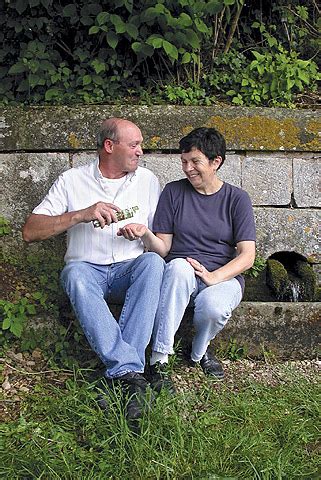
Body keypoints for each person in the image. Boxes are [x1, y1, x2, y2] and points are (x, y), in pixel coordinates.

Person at [22, 117, 165, 425]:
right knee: (73, 273)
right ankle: (132, 374)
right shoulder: (72, 180)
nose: (141, 151)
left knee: (153, 263)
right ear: (109, 146)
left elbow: (160, 242)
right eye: (135, 144)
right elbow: (30, 231)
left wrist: (141, 233)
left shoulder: (148, 181)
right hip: (89, 271)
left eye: (141, 144)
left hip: (130, 268)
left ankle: (122, 371)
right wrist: (81, 215)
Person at [117, 127, 256, 386]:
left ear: (216, 162)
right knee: (179, 267)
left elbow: (247, 256)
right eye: (184, 161)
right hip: (180, 274)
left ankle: (199, 350)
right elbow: (164, 249)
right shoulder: (174, 192)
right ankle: (159, 360)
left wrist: (214, 277)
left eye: (195, 162)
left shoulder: (237, 199)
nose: (188, 168)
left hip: (222, 275)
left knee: (214, 308)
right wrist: (144, 233)